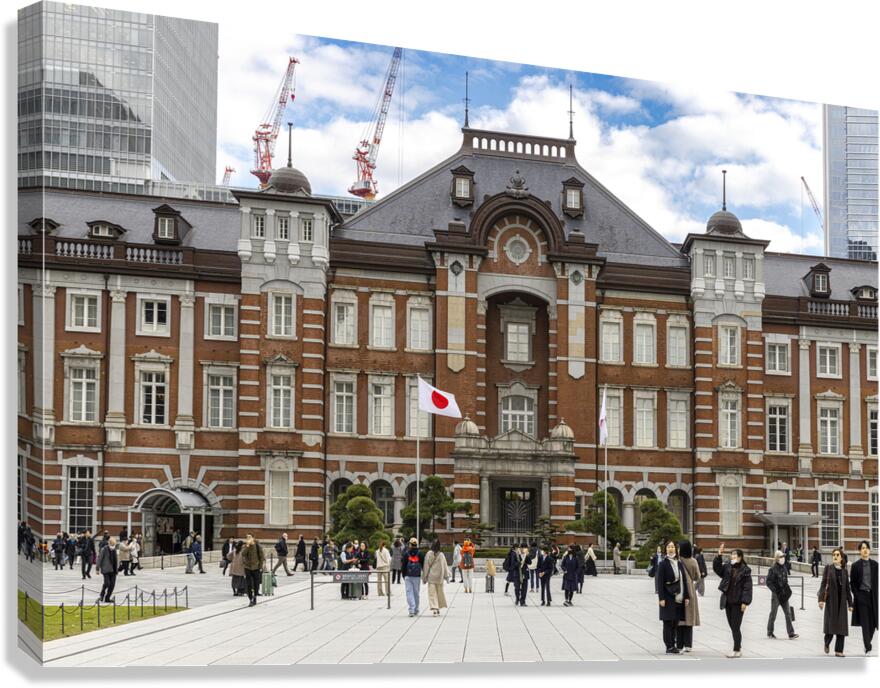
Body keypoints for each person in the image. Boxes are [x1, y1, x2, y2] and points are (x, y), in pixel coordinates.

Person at [713, 544, 753, 658]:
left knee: (735, 626)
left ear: (740, 557)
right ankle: (737, 648)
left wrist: (745, 602)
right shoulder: (727, 567)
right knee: (732, 626)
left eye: (735, 555)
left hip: (738, 602)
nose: (733, 556)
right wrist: (719, 555)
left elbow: (747, 587)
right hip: (728, 601)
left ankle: (736, 649)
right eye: (732, 555)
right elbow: (717, 569)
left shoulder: (745, 570)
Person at [819, 547, 853, 657]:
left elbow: (848, 588)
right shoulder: (828, 568)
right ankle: (827, 642)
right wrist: (821, 600)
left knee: (841, 628)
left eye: (837, 555)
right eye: (834, 554)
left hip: (842, 603)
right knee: (830, 626)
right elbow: (823, 584)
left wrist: (850, 603)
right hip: (831, 602)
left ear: (841, 557)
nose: (835, 556)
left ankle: (839, 650)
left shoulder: (844, 571)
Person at [657, 540, 689, 654]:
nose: (671, 549)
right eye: (669, 547)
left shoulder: (679, 563)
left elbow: (684, 580)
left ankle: (673, 645)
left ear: (676, 549)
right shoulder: (663, 564)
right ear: (666, 549)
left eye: (673, 547)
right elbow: (659, 582)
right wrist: (661, 598)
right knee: (668, 622)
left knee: (675, 623)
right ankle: (669, 646)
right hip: (667, 597)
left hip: (679, 597)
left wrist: (686, 596)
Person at [850, 540, 878, 655]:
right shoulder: (855, 566)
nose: (865, 550)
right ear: (860, 551)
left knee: (873, 624)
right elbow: (852, 583)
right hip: (861, 597)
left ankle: (868, 643)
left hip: (873, 597)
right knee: (865, 623)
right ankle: (867, 646)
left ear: (869, 550)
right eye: (862, 548)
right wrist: (857, 596)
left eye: (866, 548)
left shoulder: (876, 565)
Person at [766, 550, 798, 640]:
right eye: (780, 557)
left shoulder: (784, 567)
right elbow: (768, 582)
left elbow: (785, 580)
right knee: (773, 613)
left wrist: (787, 589)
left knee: (788, 613)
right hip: (776, 595)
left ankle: (791, 633)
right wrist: (775, 591)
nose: (782, 558)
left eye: (783, 556)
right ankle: (770, 632)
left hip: (784, 594)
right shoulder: (772, 569)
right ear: (776, 558)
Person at [676, 540, 700, 653]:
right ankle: (688, 645)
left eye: (679, 547)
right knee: (689, 618)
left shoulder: (677, 560)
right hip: (690, 590)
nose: (677, 549)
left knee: (679, 619)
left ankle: (679, 644)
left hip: (679, 589)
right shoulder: (693, 561)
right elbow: (697, 577)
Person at [422, 539, 450, 616]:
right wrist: (446, 577)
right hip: (439, 577)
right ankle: (438, 608)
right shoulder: (441, 555)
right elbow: (445, 566)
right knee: (439, 593)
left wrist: (424, 577)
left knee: (432, 593)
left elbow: (426, 566)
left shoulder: (428, 554)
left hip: (431, 577)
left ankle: (434, 608)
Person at [402, 537, 424, 617]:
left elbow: (403, 565)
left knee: (409, 592)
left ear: (410, 544)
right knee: (416, 593)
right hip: (417, 576)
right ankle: (416, 609)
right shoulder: (420, 553)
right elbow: (423, 565)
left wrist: (403, 575)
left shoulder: (406, 553)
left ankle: (411, 609)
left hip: (408, 575)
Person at [241, 534, 265, 607]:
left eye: (250, 537)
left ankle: (255, 596)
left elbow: (261, 557)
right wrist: (247, 546)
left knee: (256, 583)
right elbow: (243, 554)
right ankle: (250, 599)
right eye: (247, 537)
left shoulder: (257, 546)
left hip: (256, 567)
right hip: (247, 567)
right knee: (248, 584)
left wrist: (260, 567)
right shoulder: (246, 546)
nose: (248, 539)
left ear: (253, 538)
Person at [97, 536, 118, 603]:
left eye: (114, 545)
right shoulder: (104, 549)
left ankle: (107, 598)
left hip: (113, 570)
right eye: (112, 545)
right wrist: (97, 568)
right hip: (106, 569)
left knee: (112, 585)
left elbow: (116, 560)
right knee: (107, 583)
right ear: (109, 543)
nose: (113, 546)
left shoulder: (114, 550)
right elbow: (99, 559)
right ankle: (102, 594)